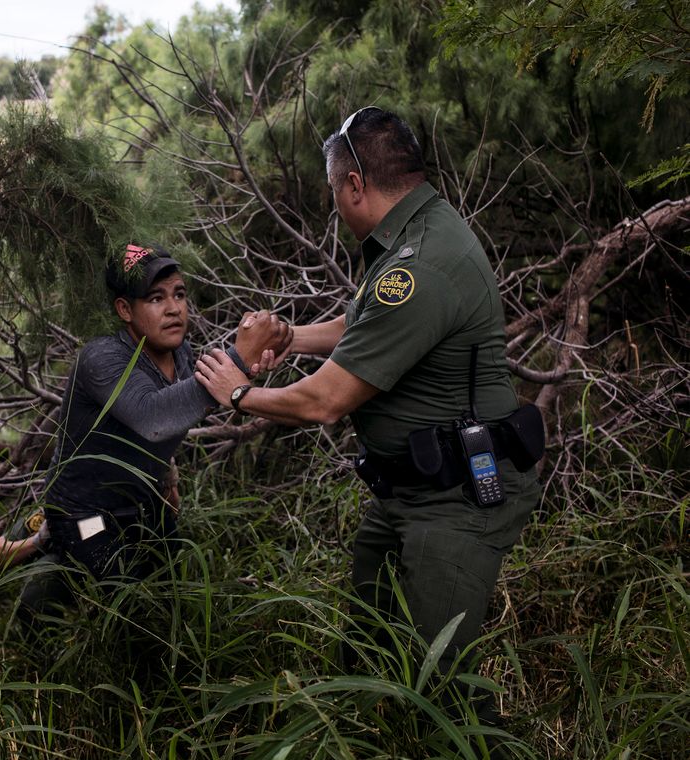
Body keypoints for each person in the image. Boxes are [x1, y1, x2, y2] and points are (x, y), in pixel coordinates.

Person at [194, 107, 543, 721]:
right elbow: (365, 325)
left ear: (355, 184)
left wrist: (238, 394)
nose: (335, 205)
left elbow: (325, 402)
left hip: (457, 503)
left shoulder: (420, 265)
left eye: (333, 191)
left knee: (443, 693)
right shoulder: (413, 236)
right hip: (409, 493)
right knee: (371, 651)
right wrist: (290, 338)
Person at [9, 243, 290, 625]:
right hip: (87, 513)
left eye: (179, 294)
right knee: (135, 610)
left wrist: (248, 366)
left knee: (172, 600)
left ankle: (45, 549)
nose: (174, 308)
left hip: (144, 502)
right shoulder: (103, 358)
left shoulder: (181, 354)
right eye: (156, 298)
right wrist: (237, 358)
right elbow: (153, 417)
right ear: (125, 310)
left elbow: (182, 408)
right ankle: (47, 548)